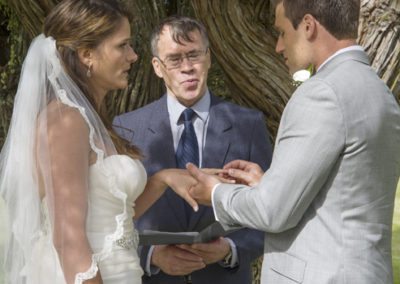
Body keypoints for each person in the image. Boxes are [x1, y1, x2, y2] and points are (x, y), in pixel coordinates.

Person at [186, 0, 400, 283]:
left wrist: (215, 193)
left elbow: (272, 211)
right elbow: (342, 192)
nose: (278, 46)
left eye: (283, 32)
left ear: (308, 26)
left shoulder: (321, 93)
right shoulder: (380, 92)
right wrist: (269, 184)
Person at [0, 1, 198, 283]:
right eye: (123, 46)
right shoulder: (66, 121)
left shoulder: (89, 118)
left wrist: (163, 179)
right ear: (87, 55)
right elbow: (68, 240)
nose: (133, 56)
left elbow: (113, 218)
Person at [113, 16, 272, 284]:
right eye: (175, 60)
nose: (187, 68)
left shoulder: (248, 124)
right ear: (157, 67)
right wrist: (151, 256)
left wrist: (230, 250)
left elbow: (269, 212)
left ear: (208, 57)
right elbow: (112, 221)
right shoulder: (126, 129)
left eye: (194, 55)